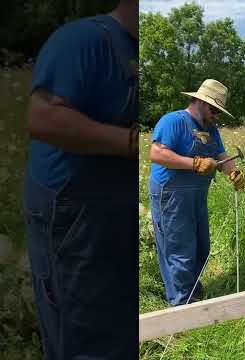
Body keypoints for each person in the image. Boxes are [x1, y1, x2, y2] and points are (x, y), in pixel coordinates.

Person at [23, 0, 139, 358]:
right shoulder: (82, 41)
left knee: (118, 327)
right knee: (83, 335)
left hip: (115, 209)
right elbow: (41, 118)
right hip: (75, 216)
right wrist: (130, 142)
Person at [149, 79, 245, 306]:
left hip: (196, 195)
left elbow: (221, 156)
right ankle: (182, 307)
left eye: (219, 112)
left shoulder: (211, 129)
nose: (216, 115)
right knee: (180, 252)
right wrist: (194, 163)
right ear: (200, 102)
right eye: (214, 109)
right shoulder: (173, 121)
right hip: (171, 195)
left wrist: (234, 173)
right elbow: (156, 154)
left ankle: (192, 292)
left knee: (202, 249)